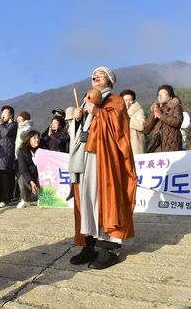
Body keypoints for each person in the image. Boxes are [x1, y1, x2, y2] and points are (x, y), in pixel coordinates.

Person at [69, 66, 137, 270]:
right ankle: (89, 245)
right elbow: (80, 133)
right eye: (94, 75)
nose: (96, 77)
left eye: (101, 75)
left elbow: (119, 130)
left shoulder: (115, 100)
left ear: (110, 80)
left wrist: (98, 112)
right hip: (85, 156)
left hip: (104, 157)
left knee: (106, 199)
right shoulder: (86, 100)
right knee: (86, 200)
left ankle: (109, 249)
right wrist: (78, 119)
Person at [143, 85, 183, 152]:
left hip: (171, 146)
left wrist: (161, 116)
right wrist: (154, 116)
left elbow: (178, 122)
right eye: (159, 95)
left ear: (170, 97)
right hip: (157, 147)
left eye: (163, 94)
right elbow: (146, 129)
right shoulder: (156, 108)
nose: (160, 96)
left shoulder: (176, 107)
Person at [16, 130, 41, 209]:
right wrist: (31, 181)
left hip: (39, 174)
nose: (37, 139)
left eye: (38, 138)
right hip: (29, 174)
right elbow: (23, 168)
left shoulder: (42, 149)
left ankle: (42, 198)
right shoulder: (22, 151)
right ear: (29, 139)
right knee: (22, 178)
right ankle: (25, 200)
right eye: (34, 138)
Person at [120, 89, 146, 154]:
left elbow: (142, 125)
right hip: (122, 144)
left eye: (130, 100)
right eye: (125, 100)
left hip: (135, 144)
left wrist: (128, 119)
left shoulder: (139, 110)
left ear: (133, 101)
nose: (127, 102)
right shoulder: (118, 112)